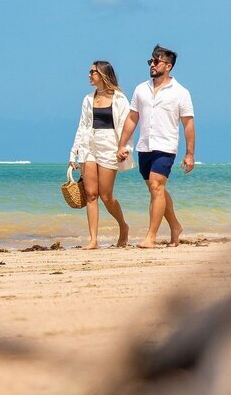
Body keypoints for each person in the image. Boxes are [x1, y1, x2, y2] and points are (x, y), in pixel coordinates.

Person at [117, 44, 195, 248]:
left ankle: (150, 237)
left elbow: (188, 123)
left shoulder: (181, 92)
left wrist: (189, 153)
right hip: (145, 146)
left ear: (168, 66)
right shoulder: (141, 89)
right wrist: (122, 144)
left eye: (156, 61)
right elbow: (133, 118)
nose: (152, 64)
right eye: (150, 61)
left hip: (166, 146)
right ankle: (176, 226)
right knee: (156, 190)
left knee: (156, 186)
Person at [69, 61, 134, 249]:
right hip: (88, 146)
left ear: (104, 74)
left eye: (92, 72)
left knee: (106, 196)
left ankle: (123, 226)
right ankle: (93, 240)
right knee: (91, 194)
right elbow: (82, 126)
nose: (89, 75)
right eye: (89, 72)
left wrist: (125, 148)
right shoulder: (88, 99)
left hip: (110, 147)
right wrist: (73, 153)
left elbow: (126, 126)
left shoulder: (120, 99)